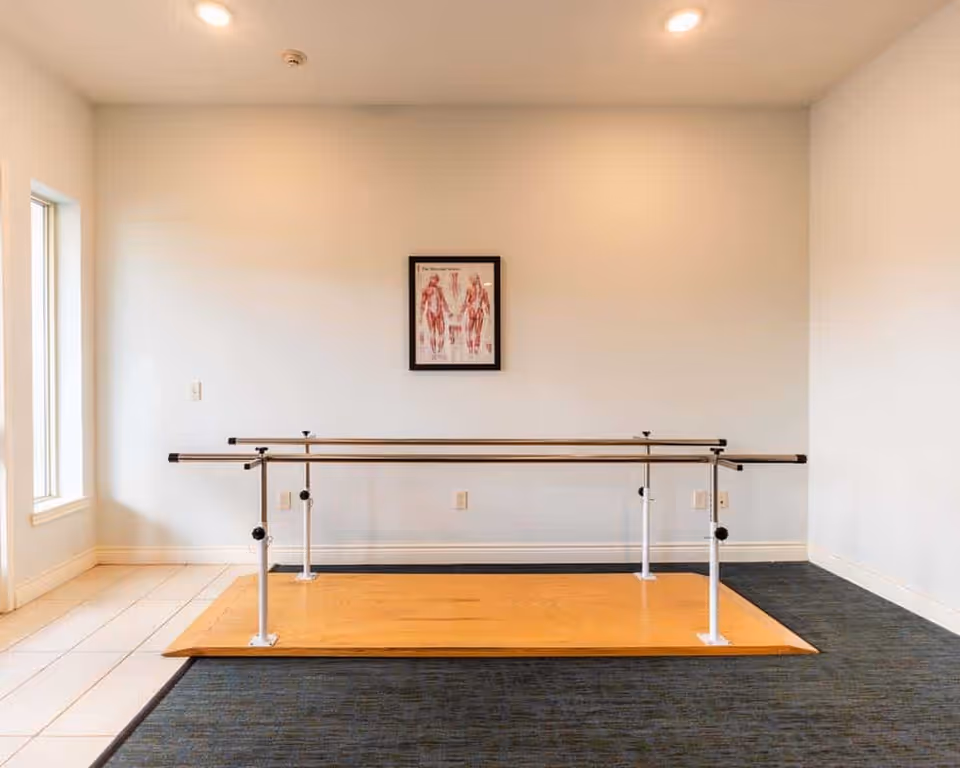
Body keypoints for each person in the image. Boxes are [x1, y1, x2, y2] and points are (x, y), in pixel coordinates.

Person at [419, 273, 452, 357]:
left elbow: (443, 301)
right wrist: (420, 315)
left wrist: (448, 311)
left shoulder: (439, 289)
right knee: (432, 332)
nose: (435, 281)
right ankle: (434, 351)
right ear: (430, 279)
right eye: (433, 279)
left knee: (441, 331)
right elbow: (422, 303)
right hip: (430, 312)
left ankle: (440, 350)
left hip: (439, 312)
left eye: (436, 279)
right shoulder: (426, 290)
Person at [464, 273, 492, 356]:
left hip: (478, 311)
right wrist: (470, 307)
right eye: (472, 279)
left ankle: (475, 348)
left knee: (477, 331)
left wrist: (488, 314)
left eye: (474, 279)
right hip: (472, 311)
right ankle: (470, 348)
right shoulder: (470, 289)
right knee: (470, 330)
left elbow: (487, 303)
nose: (473, 281)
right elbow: (467, 301)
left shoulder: (483, 290)